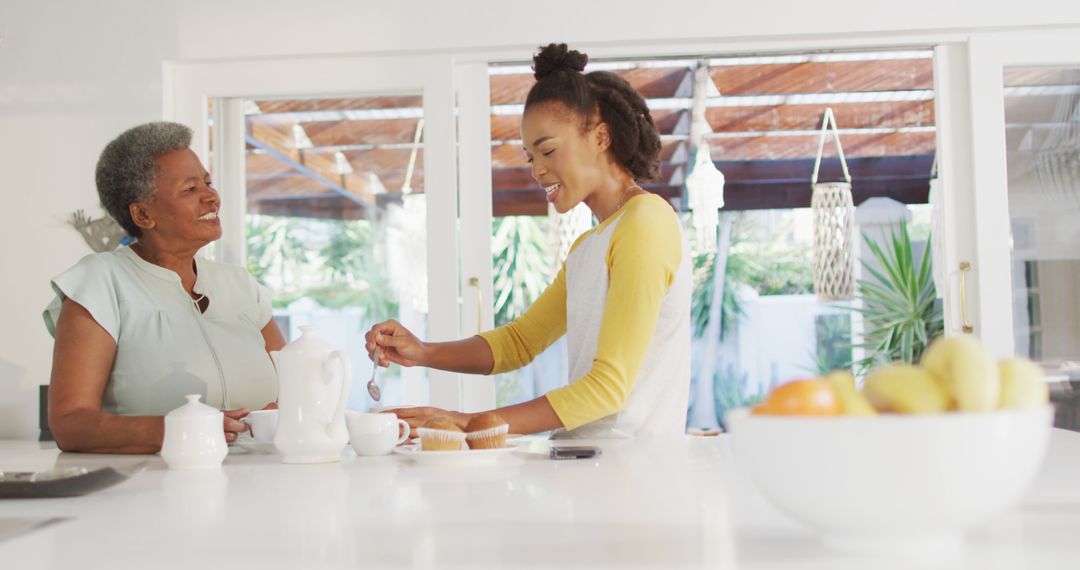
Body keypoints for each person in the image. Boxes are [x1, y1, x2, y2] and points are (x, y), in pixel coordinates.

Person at [366, 44, 691, 439]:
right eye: (529, 157)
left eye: (548, 150)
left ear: (601, 137)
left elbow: (608, 388)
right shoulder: (591, 245)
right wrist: (424, 352)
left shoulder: (646, 221)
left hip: (632, 477)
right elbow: (521, 342)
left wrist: (470, 424)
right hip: (591, 467)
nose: (537, 170)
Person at [44, 122, 284, 454]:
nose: (211, 196)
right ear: (143, 214)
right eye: (189, 189)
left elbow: (293, 389)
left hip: (263, 485)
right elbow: (71, 424)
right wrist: (183, 429)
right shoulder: (100, 283)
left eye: (208, 182)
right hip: (155, 491)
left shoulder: (240, 285)